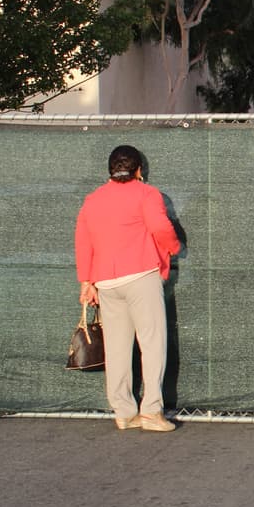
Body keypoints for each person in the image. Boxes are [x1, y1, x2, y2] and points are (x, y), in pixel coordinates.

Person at [74, 145, 182, 432]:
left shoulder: (93, 199)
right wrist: (173, 247)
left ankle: (123, 411)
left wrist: (87, 282)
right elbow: (160, 227)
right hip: (141, 276)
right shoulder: (146, 194)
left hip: (106, 283)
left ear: (110, 170)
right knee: (152, 343)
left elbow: (84, 242)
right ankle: (151, 411)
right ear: (138, 171)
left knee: (118, 348)